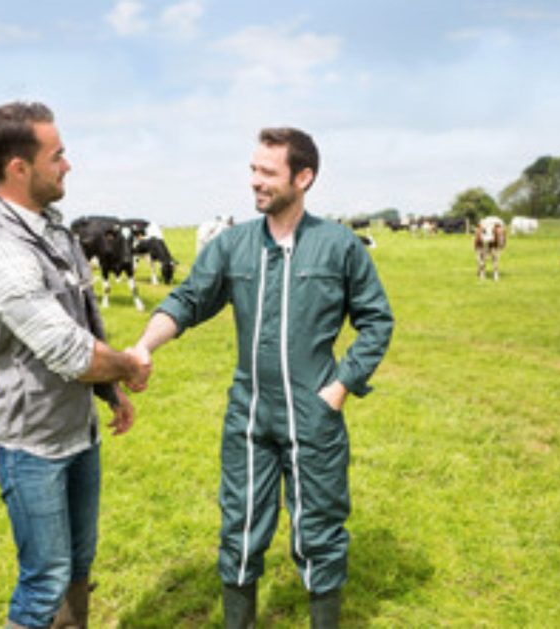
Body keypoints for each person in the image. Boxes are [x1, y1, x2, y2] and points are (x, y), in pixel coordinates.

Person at [132, 128, 394, 627]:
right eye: (253, 170)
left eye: (267, 173)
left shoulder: (338, 246)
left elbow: (377, 320)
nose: (255, 182)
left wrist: (340, 387)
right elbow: (188, 300)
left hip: (314, 414)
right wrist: (145, 344)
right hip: (248, 414)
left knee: (318, 529)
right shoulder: (233, 245)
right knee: (240, 525)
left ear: (304, 177)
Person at [0, 101, 151, 629]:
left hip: (77, 433)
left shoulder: (55, 230)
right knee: (44, 581)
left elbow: (82, 320)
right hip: (32, 447)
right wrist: (127, 366)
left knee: (77, 570)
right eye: (58, 155)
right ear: (19, 168)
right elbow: (68, 351)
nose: (68, 165)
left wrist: (109, 393)